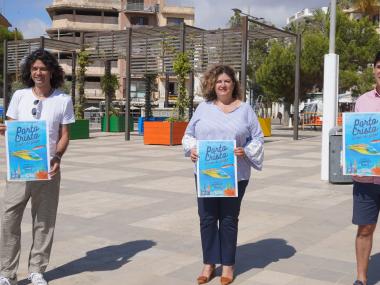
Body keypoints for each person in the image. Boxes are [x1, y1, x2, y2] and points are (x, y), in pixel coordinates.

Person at [182, 64, 264, 285]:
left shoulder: (245, 109)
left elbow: (258, 138)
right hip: (206, 173)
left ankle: (227, 265)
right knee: (207, 218)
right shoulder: (203, 108)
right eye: (219, 81)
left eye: (227, 81)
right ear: (213, 84)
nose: (223, 85)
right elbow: (188, 135)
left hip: (235, 175)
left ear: (233, 84)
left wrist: (245, 150)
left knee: (228, 219)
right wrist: (192, 149)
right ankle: (208, 263)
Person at [0, 49, 75, 285]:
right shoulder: (20, 96)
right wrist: (5, 131)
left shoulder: (62, 100)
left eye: (42, 68)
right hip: (20, 169)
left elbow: (64, 135)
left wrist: (58, 157)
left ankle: (37, 270)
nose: (38, 73)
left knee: (44, 220)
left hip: (48, 168)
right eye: (34, 69)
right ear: (29, 72)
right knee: (8, 218)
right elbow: (11, 128)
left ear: (52, 71)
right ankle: (7, 272)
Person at [351, 51, 380, 285]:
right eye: (379, 66)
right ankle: (361, 278)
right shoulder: (362, 101)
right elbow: (354, 137)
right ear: (374, 69)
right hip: (366, 179)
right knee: (365, 228)